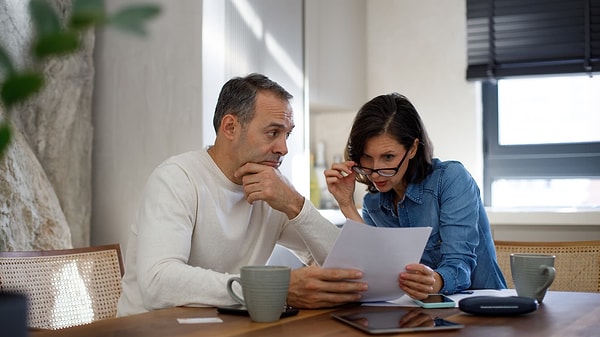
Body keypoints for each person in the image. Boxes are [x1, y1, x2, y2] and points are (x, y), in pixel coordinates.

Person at [117, 73, 367, 316]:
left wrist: (296, 205)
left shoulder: (273, 190)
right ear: (230, 127)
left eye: (287, 134)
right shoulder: (177, 179)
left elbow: (350, 267)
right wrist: (273, 289)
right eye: (273, 133)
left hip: (227, 328)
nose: (284, 148)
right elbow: (158, 283)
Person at [324, 93, 506, 300]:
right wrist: (346, 205)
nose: (375, 171)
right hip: (414, 311)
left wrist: (434, 281)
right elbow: (377, 269)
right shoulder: (373, 204)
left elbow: (460, 266)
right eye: (367, 157)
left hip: (478, 306)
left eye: (388, 157)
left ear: (412, 148)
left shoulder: (451, 179)